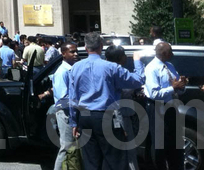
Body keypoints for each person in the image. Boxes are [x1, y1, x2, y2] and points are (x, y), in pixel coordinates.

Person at [69, 32, 145, 170]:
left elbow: (72, 98)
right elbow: (138, 80)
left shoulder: (75, 67)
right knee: (115, 160)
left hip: (85, 117)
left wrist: (74, 121)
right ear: (101, 46)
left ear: (85, 47)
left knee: (91, 161)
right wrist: (137, 61)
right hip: (106, 116)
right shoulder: (111, 67)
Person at [144, 41, 187, 170]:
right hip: (157, 107)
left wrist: (181, 85)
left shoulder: (169, 66)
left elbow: (177, 86)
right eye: (170, 51)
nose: (172, 54)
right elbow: (154, 93)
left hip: (171, 106)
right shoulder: (151, 68)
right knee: (159, 144)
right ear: (164, 53)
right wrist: (173, 88)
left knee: (174, 141)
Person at [37, 42, 78, 170]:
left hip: (73, 112)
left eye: (76, 51)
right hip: (66, 114)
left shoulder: (72, 69)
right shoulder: (62, 72)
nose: (76, 54)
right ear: (63, 54)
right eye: (72, 52)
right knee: (66, 147)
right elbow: (62, 100)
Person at [104, 45, 140, 170]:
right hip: (120, 116)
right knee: (128, 151)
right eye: (124, 55)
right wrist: (137, 61)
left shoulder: (103, 70)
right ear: (120, 57)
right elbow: (139, 80)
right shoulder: (117, 71)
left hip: (106, 115)